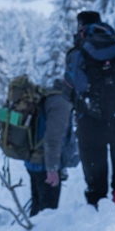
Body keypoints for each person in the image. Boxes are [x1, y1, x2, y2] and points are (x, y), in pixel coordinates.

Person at [65, 11, 115, 210]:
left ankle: (98, 208)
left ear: (80, 27)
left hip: (90, 120)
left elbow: (70, 83)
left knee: (94, 169)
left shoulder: (77, 53)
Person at [24, 79, 75, 217]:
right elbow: (53, 138)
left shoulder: (52, 95)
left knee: (37, 207)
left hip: (34, 161)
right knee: (46, 214)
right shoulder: (61, 103)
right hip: (44, 165)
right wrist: (52, 169)